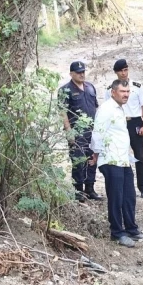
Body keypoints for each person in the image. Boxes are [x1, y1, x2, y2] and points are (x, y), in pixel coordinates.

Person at [91, 80, 143, 248]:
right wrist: (95, 156)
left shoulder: (120, 109)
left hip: (123, 159)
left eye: (128, 91)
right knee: (116, 197)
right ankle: (117, 232)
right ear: (113, 92)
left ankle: (131, 228)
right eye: (123, 91)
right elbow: (97, 134)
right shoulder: (106, 109)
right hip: (110, 159)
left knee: (129, 195)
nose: (126, 94)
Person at [105, 59, 143, 198]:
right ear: (116, 72)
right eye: (121, 71)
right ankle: (126, 185)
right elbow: (108, 109)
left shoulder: (137, 86)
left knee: (140, 155)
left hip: (135, 122)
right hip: (119, 123)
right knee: (120, 154)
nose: (124, 73)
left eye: (125, 70)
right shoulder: (110, 89)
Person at [59, 61, 103, 202]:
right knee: (78, 161)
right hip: (76, 132)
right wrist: (69, 132)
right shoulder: (65, 90)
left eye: (83, 72)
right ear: (71, 74)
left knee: (92, 159)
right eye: (78, 72)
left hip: (92, 130)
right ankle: (78, 191)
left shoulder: (90, 87)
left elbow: (95, 108)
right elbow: (63, 113)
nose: (82, 74)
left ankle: (90, 189)